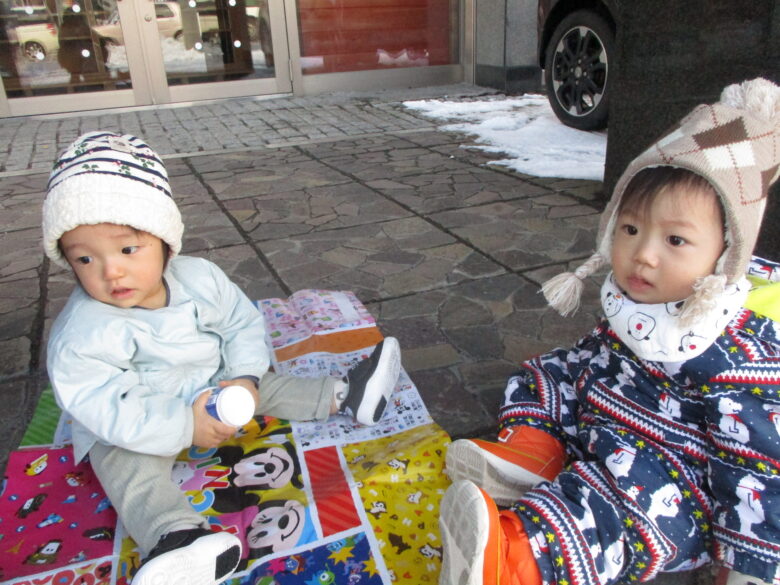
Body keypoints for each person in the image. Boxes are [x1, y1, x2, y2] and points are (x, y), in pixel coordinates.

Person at [439, 77, 780, 585]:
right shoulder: (641, 302)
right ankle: (531, 451)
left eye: (675, 239)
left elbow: (756, 464)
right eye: (630, 229)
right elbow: (598, 355)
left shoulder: (737, 353)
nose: (643, 253)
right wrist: (568, 376)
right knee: (547, 372)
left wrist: (749, 567)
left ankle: (513, 560)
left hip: (666, 479)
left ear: (723, 255)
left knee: (607, 510)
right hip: (606, 418)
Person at [43, 131, 402, 585]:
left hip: (212, 382)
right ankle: (177, 540)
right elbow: (101, 400)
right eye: (84, 259)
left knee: (268, 383)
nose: (111, 271)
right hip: (142, 413)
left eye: (128, 249)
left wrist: (246, 379)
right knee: (122, 465)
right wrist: (182, 425)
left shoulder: (201, 278)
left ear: (165, 240)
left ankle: (348, 395)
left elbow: (240, 325)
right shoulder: (82, 332)